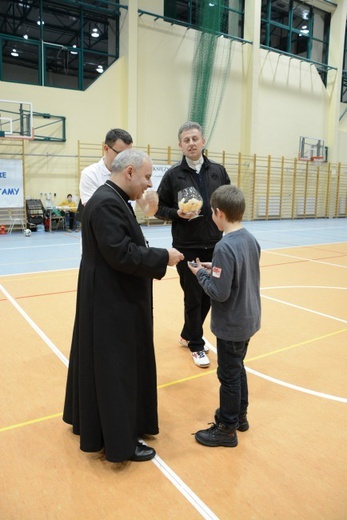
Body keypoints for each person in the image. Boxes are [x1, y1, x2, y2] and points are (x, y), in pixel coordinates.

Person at [63, 149, 184, 463]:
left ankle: (100, 425)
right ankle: (121, 441)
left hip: (106, 292)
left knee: (105, 365)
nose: (148, 184)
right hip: (112, 298)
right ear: (129, 172)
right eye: (146, 177)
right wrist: (162, 257)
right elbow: (122, 254)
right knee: (117, 368)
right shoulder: (106, 203)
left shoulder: (110, 198)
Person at [188, 185, 261, 447]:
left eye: (211, 212)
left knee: (228, 375)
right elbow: (237, 272)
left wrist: (201, 274)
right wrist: (213, 267)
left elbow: (218, 293)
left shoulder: (223, 247)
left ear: (218, 213)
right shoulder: (250, 239)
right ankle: (240, 417)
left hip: (232, 323)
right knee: (237, 368)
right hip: (249, 318)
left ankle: (227, 428)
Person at [155, 121, 230, 368]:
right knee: (193, 297)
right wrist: (177, 213)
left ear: (203, 141)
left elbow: (228, 202)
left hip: (216, 245)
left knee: (211, 295)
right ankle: (196, 345)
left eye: (194, 139)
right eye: (186, 140)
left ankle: (188, 334)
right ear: (180, 145)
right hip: (187, 247)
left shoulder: (218, 171)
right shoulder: (173, 175)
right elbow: (158, 208)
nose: (191, 143)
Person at [79, 128, 133, 206]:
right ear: (106, 148)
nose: (126, 159)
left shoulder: (132, 173)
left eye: (129, 154)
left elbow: (146, 207)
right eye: (121, 154)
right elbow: (94, 210)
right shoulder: (90, 174)